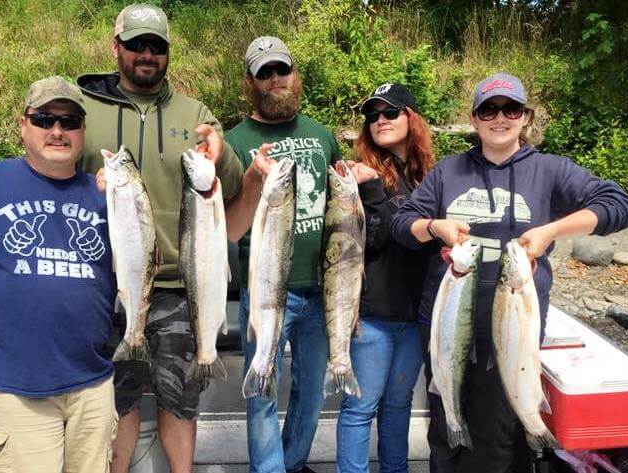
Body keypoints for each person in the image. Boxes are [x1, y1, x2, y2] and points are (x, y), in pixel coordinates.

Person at [391, 72, 628, 473]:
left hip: (512, 330)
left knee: (499, 439)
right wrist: (435, 227)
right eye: (488, 109)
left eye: (511, 108)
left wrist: (553, 230)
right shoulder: (447, 172)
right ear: (473, 118)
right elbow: (404, 223)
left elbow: (617, 205)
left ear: (526, 116)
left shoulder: (550, 170)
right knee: (445, 432)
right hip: (447, 326)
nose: (499, 117)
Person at [77, 4, 243, 473]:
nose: (146, 54)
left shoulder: (195, 113)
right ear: (117, 48)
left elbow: (226, 188)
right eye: (136, 45)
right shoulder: (84, 110)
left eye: (156, 46)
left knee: (179, 401)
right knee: (118, 401)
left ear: (168, 53)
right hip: (104, 285)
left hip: (177, 287)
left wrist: (222, 150)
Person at [0, 76, 117, 473]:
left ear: (84, 130)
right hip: (17, 391)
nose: (58, 131)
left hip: (94, 386)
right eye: (45, 119)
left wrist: (126, 194)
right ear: (23, 125)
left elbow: (146, 261)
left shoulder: (107, 194)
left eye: (70, 121)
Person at [224, 36, 340, 473]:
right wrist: (253, 180)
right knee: (263, 394)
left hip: (321, 291)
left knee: (313, 393)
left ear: (295, 76)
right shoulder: (235, 142)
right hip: (268, 293)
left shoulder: (322, 135)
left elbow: (339, 210)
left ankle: (291, 464)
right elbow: (231, 227)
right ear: (250, 82)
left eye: (282, 71)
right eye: (264, 73)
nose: (275, 80)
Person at [336, 83, 439, 473]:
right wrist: (375, 189)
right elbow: (374, 240)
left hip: (415, 317)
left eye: (390, 112)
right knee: (360, 407)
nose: (379, 120)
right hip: (373, 314)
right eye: (372, 115)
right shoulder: (357, 176)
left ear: (411, 117)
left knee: (398, 408)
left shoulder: (433, 174)